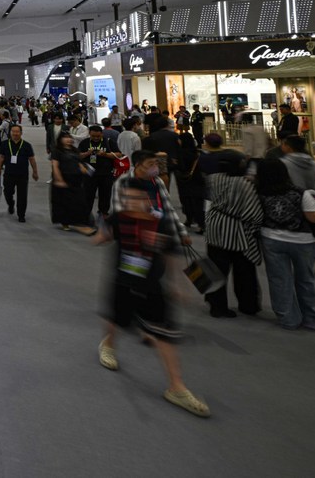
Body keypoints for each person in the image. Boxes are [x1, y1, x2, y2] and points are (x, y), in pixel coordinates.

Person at [93, 173, 209, 418]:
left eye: (136, 198)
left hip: (152, 287)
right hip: (122, 283)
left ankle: (176, 388)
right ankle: (108, 346)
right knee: (115, 320)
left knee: (164, 335)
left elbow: (171, 255)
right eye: (127, 198)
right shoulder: (118, 218)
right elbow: (101, 239)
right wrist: (100, 233)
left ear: (148, 199)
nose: (131, 203)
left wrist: (176, 285)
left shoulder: (161, 223)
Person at [254, 159, 315, 330]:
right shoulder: (300, 193)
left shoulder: (259, 193)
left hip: (271, 239)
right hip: (302, 241)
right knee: (305, 280)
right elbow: (313, 218)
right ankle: (311, 319)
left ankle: (288, 318)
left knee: (279, 280)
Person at [203, 161, 263, 318]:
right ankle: (248, 305)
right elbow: (253, 213)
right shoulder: (245, 185)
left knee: (215, 269)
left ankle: (216, 305)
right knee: (244, 271)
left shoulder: (213, 179)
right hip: (237, 231)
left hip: (214, 226)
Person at [0, 124, 39, 222]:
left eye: (17, 132)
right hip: (9, 173)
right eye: (13, 131)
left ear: (21, 133)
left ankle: (21, 215)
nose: (15, 133)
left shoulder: (27, 145)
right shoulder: (5, 144)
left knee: (22, 195)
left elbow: (32, 159)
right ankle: (11, 204)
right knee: (7, 192)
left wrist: (35, 172)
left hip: (22, 174)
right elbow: (1, 157)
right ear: (10, 132)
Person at [51, 131, 92, 232]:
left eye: (69, 137)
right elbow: (55, 166)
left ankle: (81, 222)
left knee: (79, 201)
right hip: (64, 178)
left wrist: (84, 169)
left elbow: (79, 161)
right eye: (65, 137)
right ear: (60, 139)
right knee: (64, 202)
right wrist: (59, 179)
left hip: (76, 179)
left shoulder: (75, 150)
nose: (68, 139)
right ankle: (65, 222)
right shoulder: (57, 151)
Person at [78, 125, 120, 222]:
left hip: (106, 173)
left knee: (105, 194)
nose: (96, 138)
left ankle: (104, 212)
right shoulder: (84, 142)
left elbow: (118, 154)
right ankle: (86, 213)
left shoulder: (108, 141)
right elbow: (78, 156)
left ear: (102, 134)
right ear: (89, 134)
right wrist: (87, 153)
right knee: (88, 194)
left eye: (98, 136)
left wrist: (105, 154)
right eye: (93, 136)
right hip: (89, 174)